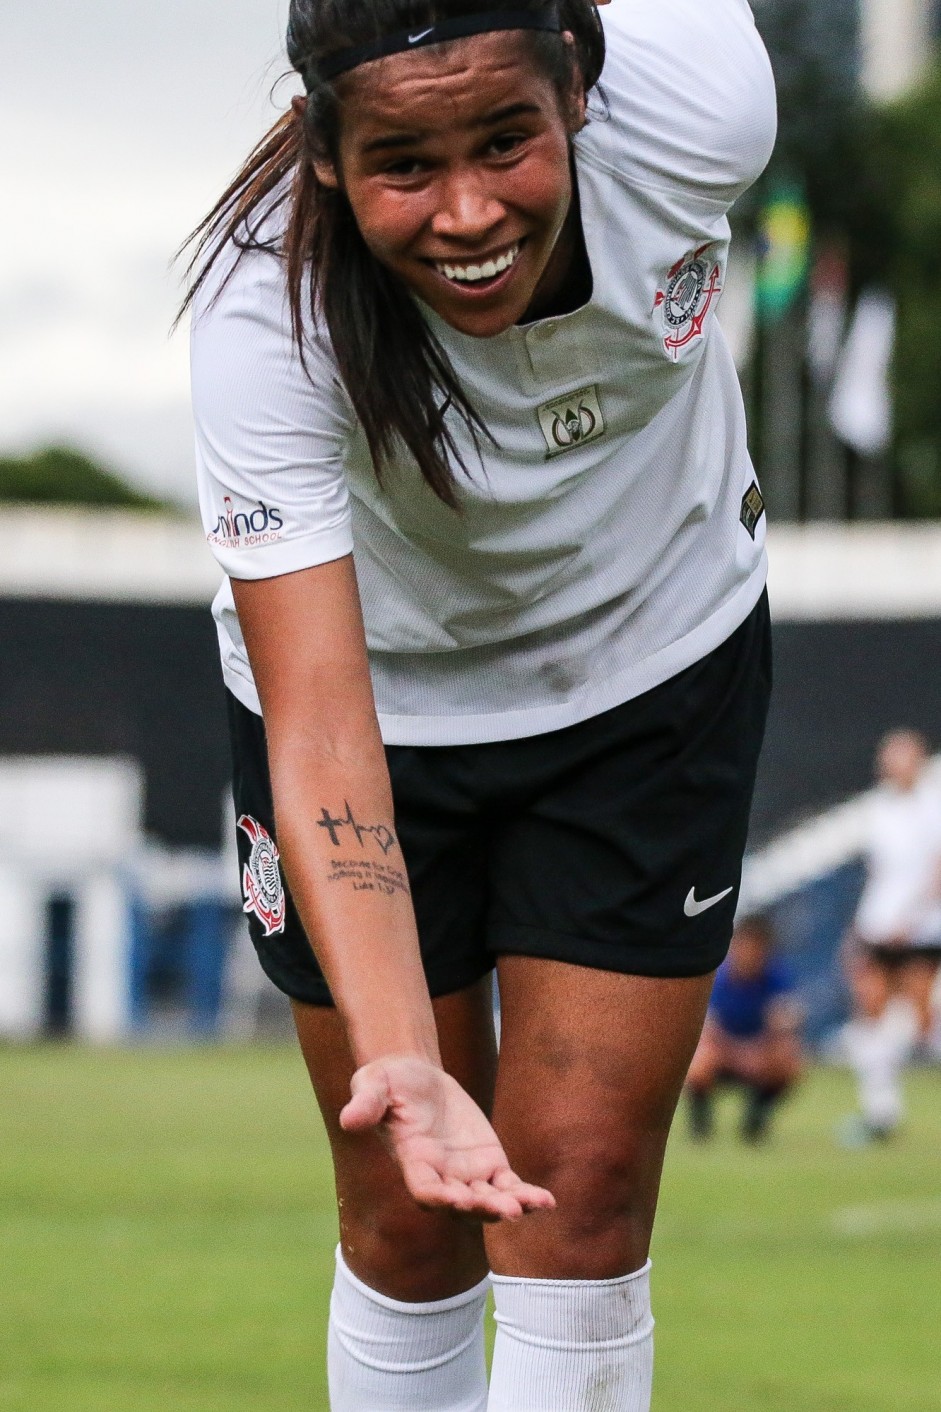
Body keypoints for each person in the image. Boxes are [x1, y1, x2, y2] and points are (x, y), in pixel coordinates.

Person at [184, 1, 776, 1406]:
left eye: (506, 140)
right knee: (410, 1210)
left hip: (651, 669)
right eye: (402, 164)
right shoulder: (261, 312)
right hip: (375, 711)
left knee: (574, 1204)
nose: (465, 214)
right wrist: (403, 1059)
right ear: (324, 154)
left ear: (578, 83)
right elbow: (322, 723)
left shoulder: (700, 102)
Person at [841, 729, 941, 1143]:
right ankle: (881, 1111)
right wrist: (862, 924)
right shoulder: (879, 808)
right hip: (877, 926)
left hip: (920, 929)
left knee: (918, 1020)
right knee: (870, 1011)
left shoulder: (934, 805)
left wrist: (910, 917)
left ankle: (883, 1111)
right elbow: (878, 873)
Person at [685, 915, 804, 1144]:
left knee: (788, 1058)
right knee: (699, 1059)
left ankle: (756, 1117)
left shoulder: (777, 977)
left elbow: (786, 1020)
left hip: (759, 1052)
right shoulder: (717, 976)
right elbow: (708, 1027)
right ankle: (701, 1121)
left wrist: (760, 1048)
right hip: (725, 1052)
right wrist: (739, 1054)